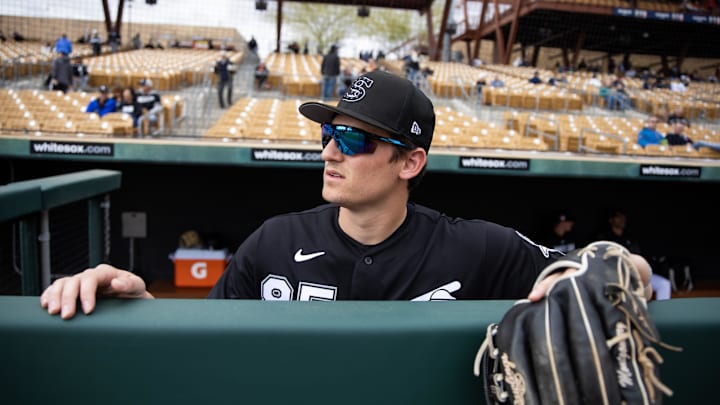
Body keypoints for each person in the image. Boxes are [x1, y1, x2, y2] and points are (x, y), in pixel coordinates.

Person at [39, 70, 654, 319]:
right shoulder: (274, 240)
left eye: (354, 139)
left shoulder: (479, 249)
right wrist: (140, 302)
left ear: (410, 161)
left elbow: (595, 266)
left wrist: (615, 262)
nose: (329, 151)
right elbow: (206, 329)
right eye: (328, 133)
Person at [595, 208, 671, 300]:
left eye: (623, 216)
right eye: (618, 217)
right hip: (614, 275)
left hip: (634, 273)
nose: (622, 219)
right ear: (611, 220)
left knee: (664, 284)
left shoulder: (629, 237)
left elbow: (638, 257)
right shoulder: (603, 238)